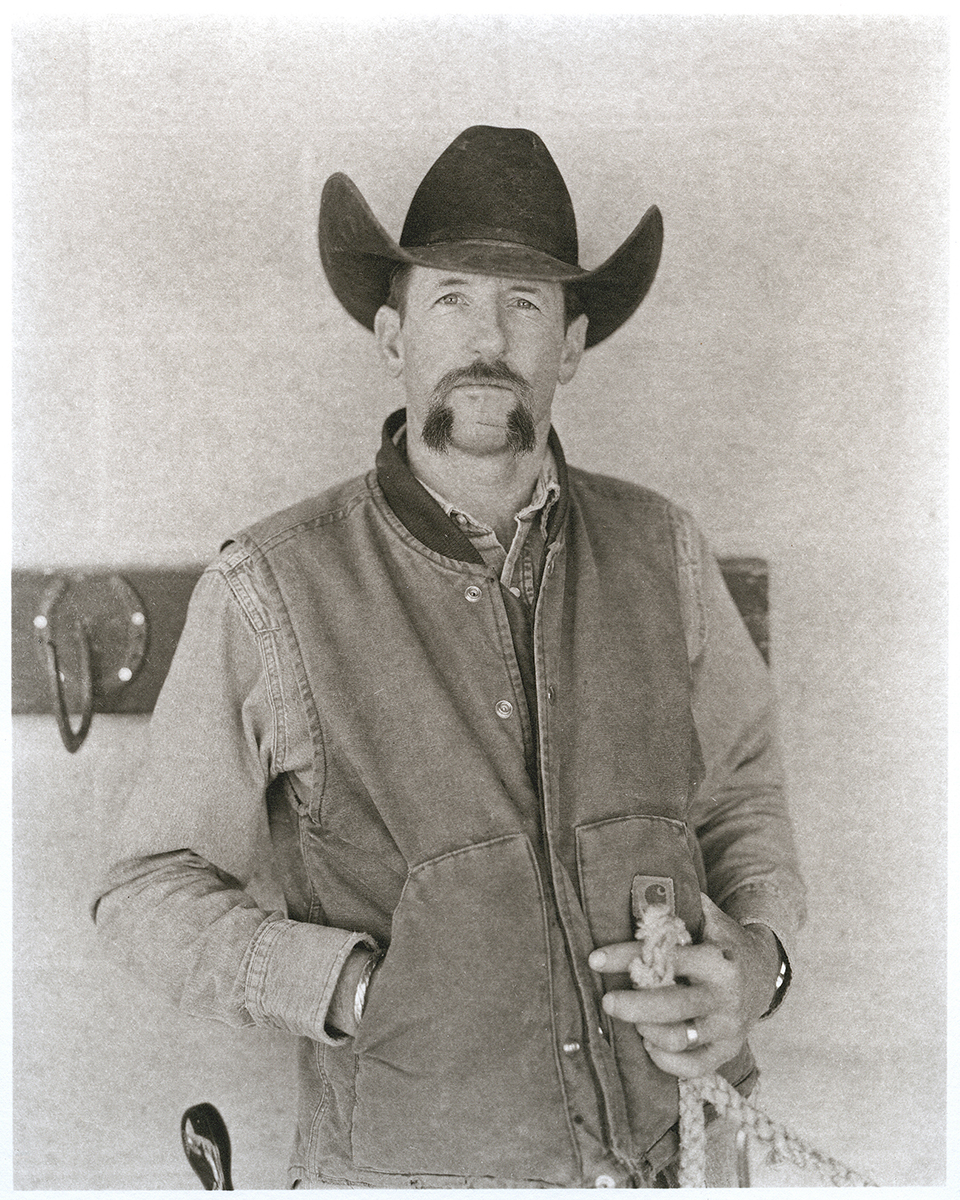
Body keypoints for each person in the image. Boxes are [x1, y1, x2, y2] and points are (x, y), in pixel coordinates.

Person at [93, 125, 805, 1188]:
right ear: (394, 334)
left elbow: (742, 798)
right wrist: (353, 992)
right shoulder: (272, 587)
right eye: (453, 298)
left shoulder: (664, 548)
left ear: (570, 346)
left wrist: (758, 962)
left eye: (525, 304)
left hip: (683, 1161)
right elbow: (144, 892)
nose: (489, 337)